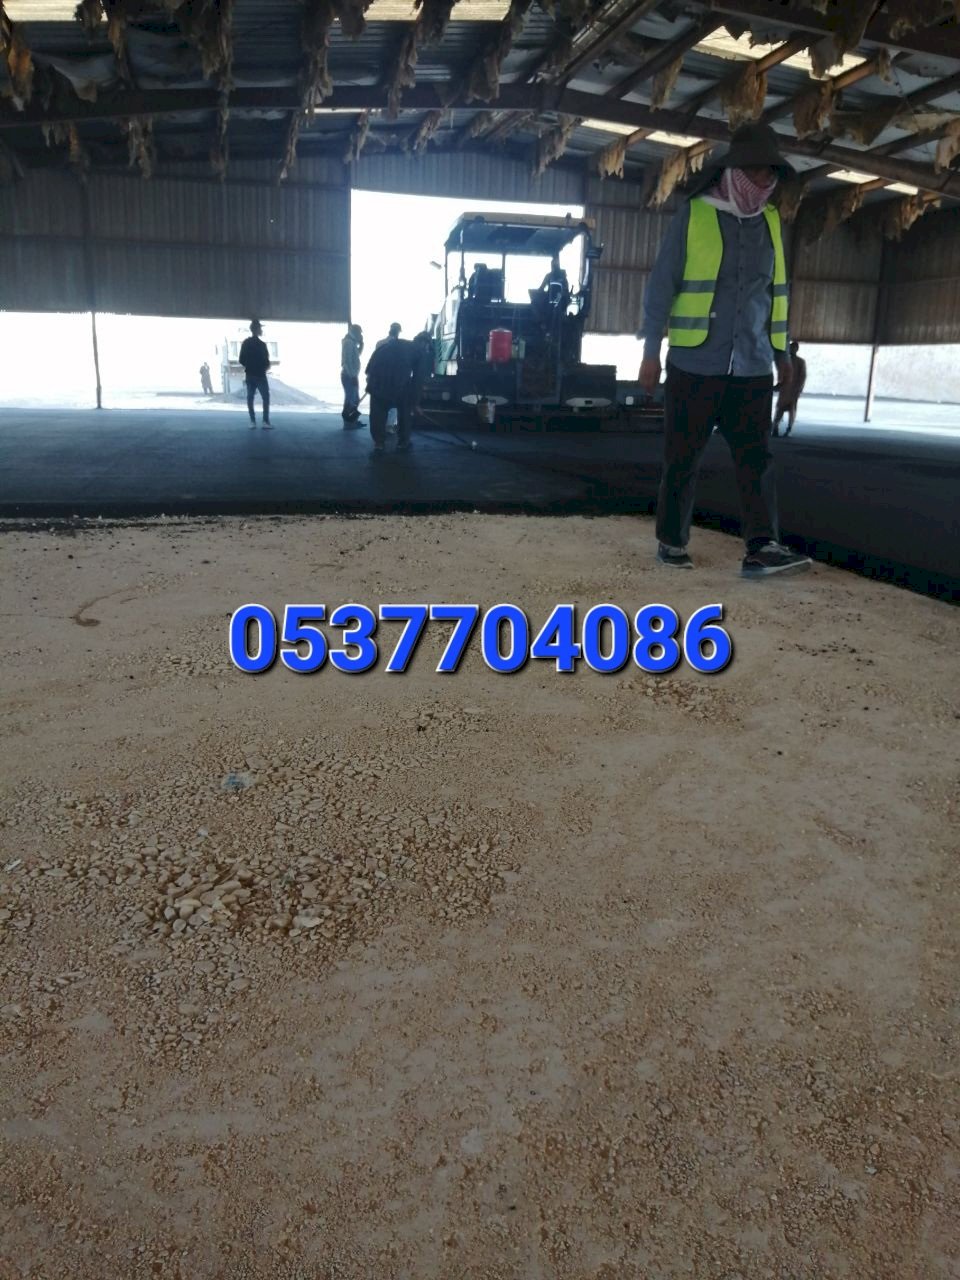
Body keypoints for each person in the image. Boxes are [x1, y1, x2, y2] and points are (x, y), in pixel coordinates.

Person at [638, 122, 812, 579]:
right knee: (682, 457)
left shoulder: (771, 222)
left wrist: (782, 355)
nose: (765, 180)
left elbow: (776, 295)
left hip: (752, 366)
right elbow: (662, 285)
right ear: (734, 170)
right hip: (694, 362)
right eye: (757, 171)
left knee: (757, 460)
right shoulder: (694, 215)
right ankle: (672, 541)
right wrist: (650, 350)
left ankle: (762, 547)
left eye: (770, 172)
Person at [364, 332, 415, 456]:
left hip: (378, 385)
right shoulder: (416, 351)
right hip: (398, 386)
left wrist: (372, 384)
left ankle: (379, 443)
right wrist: (416, 401)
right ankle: (403, 442)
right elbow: (418, 378)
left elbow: (368, 369)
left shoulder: (382, 348)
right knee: (404, 412)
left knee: (377, 413)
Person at [238, 320, 272, 429]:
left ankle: (252, 422)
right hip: (260, 375)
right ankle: (265, 422)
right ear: (257, 330)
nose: (261, 330)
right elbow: (267, 361)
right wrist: (263, 368)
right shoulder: (262, 345)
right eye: (260, 328)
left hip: (250, 374)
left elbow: (241, 359)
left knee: (250, 397)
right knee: (265, 397)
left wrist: (249, 366)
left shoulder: (246, 343)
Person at [772, 340, 807, 437]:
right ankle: (775, 427)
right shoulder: (785, 361)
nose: (792, 350)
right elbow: (781, 374)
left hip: (793, 390)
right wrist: (778, 385)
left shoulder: (800, 362)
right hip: (785, 389)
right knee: (779, 408)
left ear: (797, 349)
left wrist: (799, 389)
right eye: (791, 348)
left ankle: (789, 428)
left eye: (794, 348)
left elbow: (802, 376)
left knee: (791, 410)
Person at [376, 323, 402, 433]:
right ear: (398, 332)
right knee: (394, 403)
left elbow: (375, 361)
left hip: (380, 378)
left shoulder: (380, 343)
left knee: (382, 403)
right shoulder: (399, 345)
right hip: (393, 379)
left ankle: (381, 424)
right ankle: (389, 426)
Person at [341, 323, 364, 428]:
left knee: (353, 399)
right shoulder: (349, 343)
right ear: (356, 332)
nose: (361, 335)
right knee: (351, 400)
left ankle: (351, 421)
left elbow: (355, 356)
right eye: (360, 333)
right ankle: (348, 423)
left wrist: (361, 346)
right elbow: (347, 362)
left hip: (351, 375)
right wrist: (353, 376)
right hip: (349, 376)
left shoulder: (351, 342)